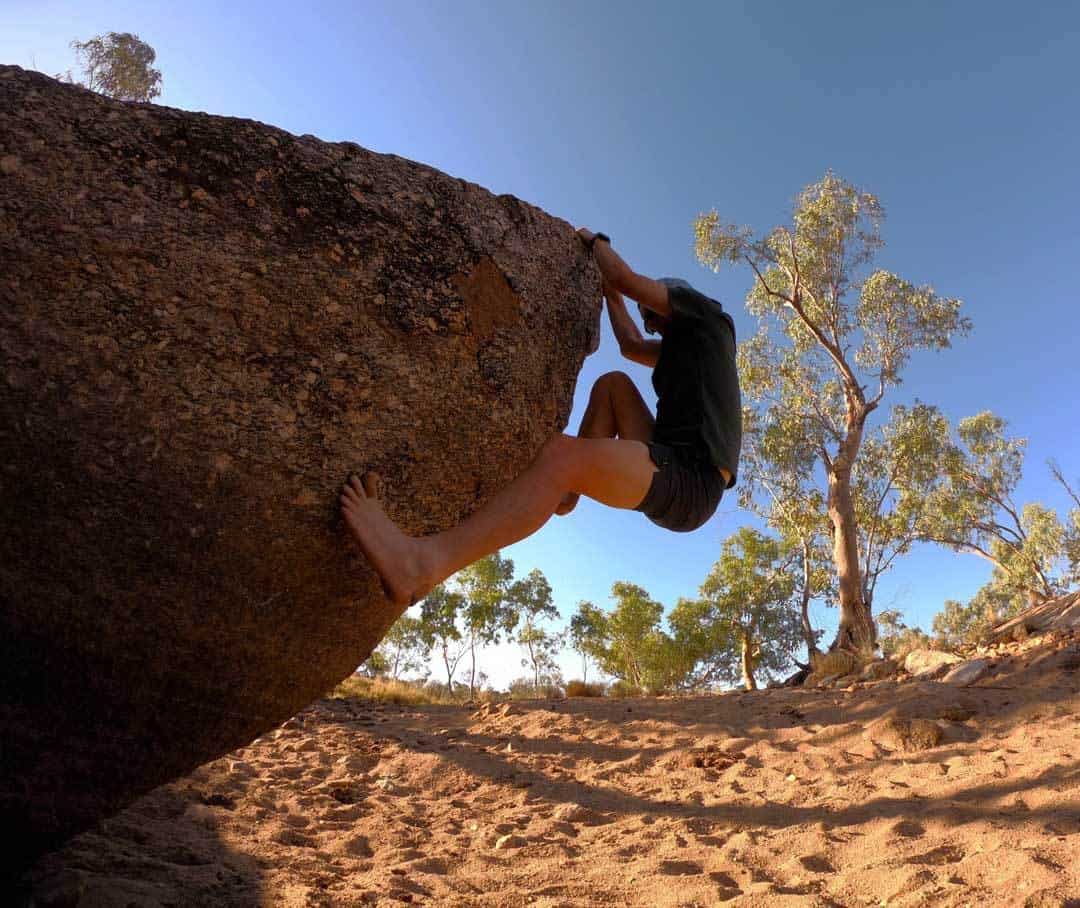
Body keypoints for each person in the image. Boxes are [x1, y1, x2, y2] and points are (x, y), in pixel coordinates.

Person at [340, 228, 742, 609]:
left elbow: (624, 276)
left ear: (677, 302)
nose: (652, 324)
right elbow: (630, 345)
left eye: (654, 315)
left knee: (560, 456)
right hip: (672, 462)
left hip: (692, 481)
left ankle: (422, 566)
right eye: (649, 320)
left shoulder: (708, 319)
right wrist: (610, 296)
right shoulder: (682, 349)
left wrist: (593, 241)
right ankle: (565, 495)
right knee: (614, 385)